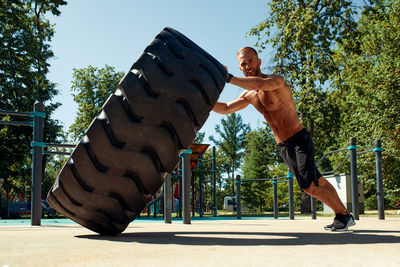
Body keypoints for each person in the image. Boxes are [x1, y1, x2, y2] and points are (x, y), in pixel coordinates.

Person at [213, 47, 355, 231]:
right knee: (317, 181)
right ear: (240, 67)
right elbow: (225, 108)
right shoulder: (248, 94)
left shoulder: (275, 81)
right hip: (283, 145)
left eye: (251, 61)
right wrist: (203, 102)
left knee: (309, 186)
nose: (247, 66)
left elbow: (260, 85)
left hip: (299, 138)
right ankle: (343, 216)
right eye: (243, 63)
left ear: (259, 62)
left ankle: (343, 216)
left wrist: (228, 78)